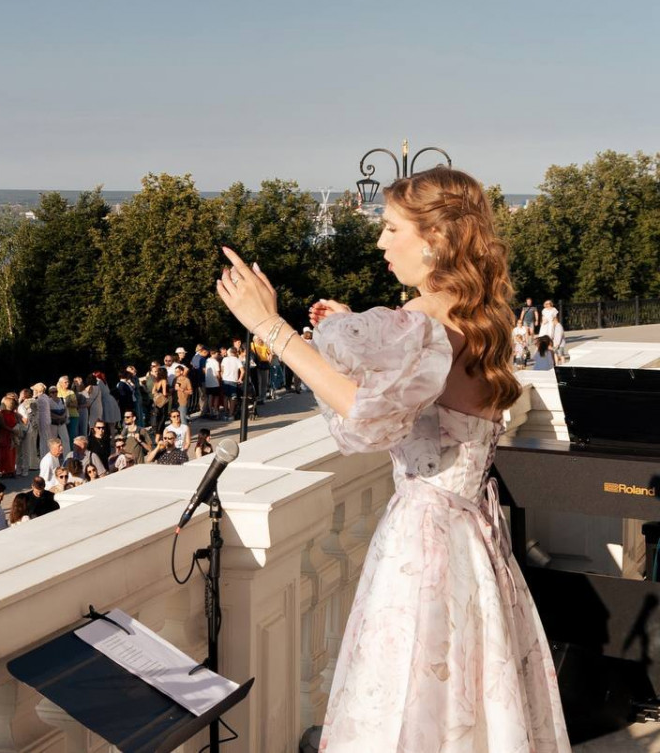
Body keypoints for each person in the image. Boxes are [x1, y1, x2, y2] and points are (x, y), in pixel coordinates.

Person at [216, 167, 567, 750]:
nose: (380, 242)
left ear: (435, 238)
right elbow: (413, 386)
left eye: (389, 228)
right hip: (469, 534)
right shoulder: (476, 315)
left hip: (426, 541)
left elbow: (366, 415)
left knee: (407, 700)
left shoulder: (433, 323)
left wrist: (269, 327)